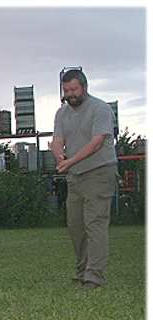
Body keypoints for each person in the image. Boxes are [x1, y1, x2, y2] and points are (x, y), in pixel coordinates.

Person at [50, 69, 118, 290]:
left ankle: (94, 277)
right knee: (75, 226)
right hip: (75, 176)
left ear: (84, 87)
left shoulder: (101, 109)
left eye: (74, 89)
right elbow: (58, 139)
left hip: (99, 171)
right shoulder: (61, 113)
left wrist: (70, 162)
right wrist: (60, 156)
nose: (70, 94)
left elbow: (97, 142)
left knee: (95, 224)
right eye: (66, 90)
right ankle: (82, 271)